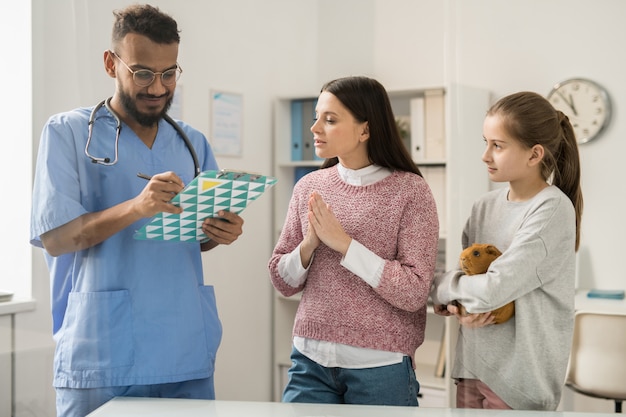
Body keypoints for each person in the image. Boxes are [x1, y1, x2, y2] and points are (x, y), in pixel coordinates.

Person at [29, 5, 244, 417]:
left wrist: (217, 233)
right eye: (143, 72)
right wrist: (136, 207)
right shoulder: (68, 133)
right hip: (102, 350)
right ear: (111, 64)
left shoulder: (191, 143)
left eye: (169, 73)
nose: (158, 87)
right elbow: (56, 239)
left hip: (183, 347)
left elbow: (195, 239)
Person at [268, 76, 440, 406]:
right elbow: (282, 281)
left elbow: (415, 290)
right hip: (309, 360)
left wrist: (345, 245)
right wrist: (308, 246)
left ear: (365, 129)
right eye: (316, 117)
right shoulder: (308, 186)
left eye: (330, 120)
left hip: (380, 366)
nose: (315, 128)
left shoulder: (410, 191)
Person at [431, 91, 583, 410]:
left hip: (518, 381)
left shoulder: (552, 210)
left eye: (497, 145)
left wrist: (442, 286)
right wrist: (458, 305)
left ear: (534, 154)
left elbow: (493, 288)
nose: (485, 155)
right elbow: (469, 287)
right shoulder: (483, 207)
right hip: (471, 367)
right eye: (485, 142)